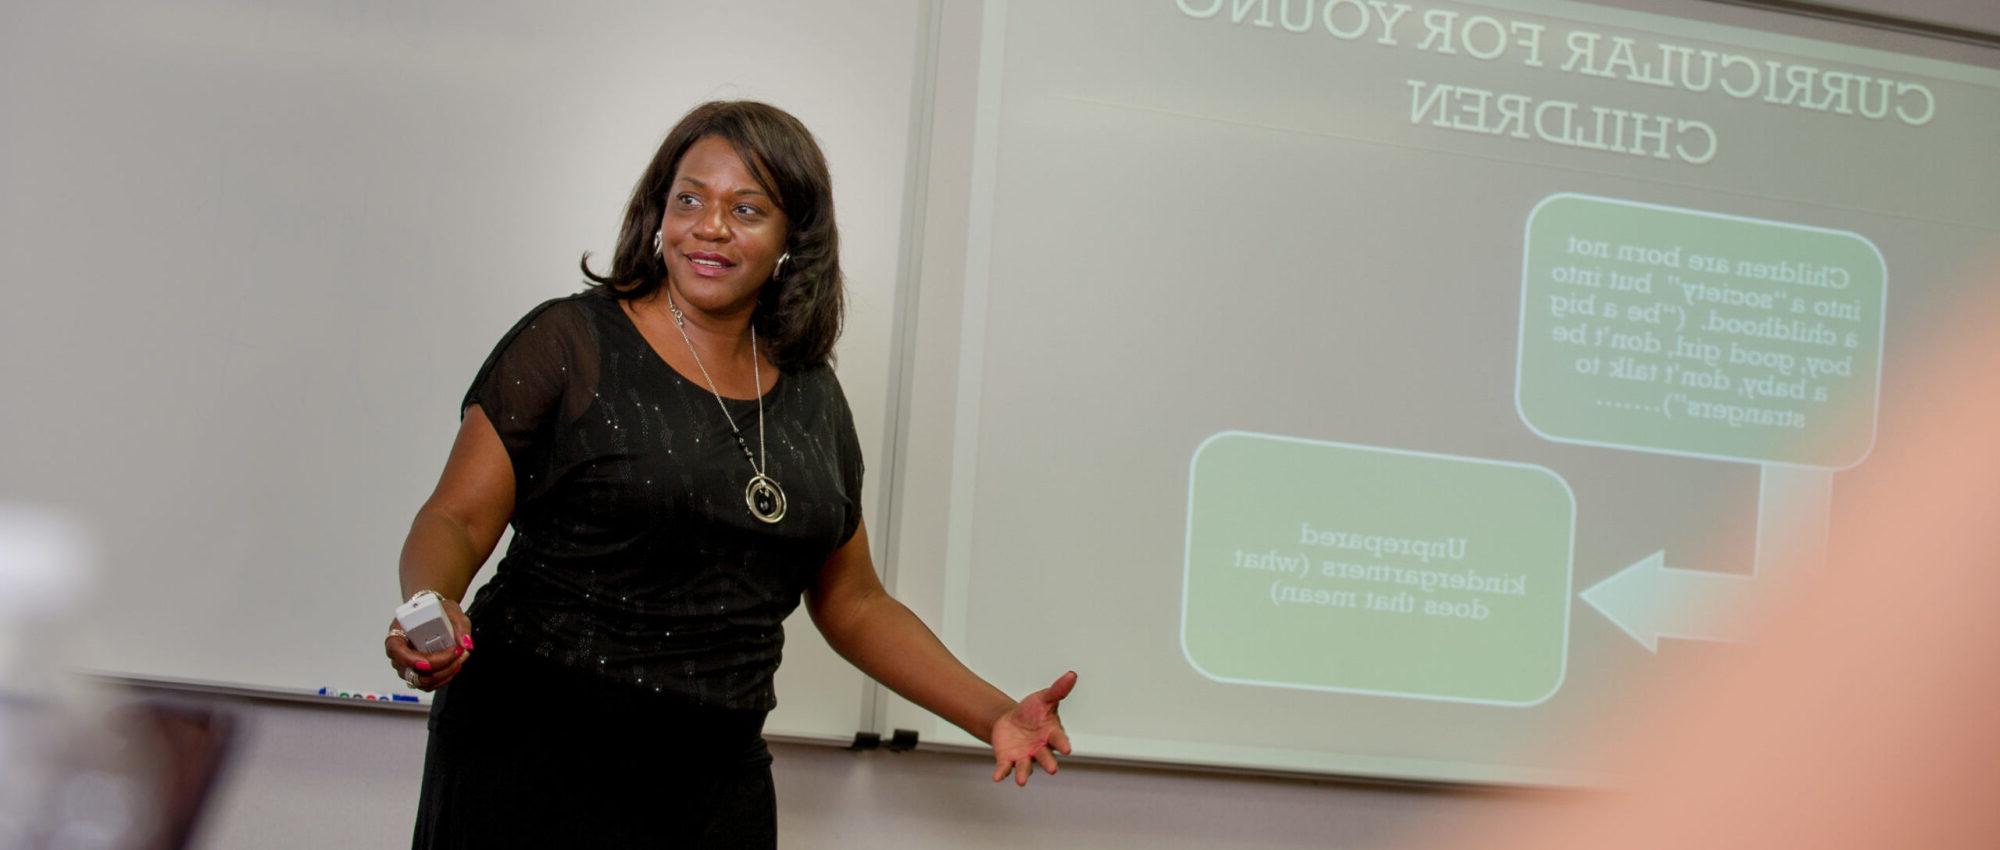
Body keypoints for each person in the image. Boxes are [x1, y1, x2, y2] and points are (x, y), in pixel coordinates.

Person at [383, 100, 1076, 849]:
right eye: (690, 200)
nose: (709, 227)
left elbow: (855, 603)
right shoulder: (570, 342)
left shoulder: (812, 392)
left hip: (713, 776)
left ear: (791, 239)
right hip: (530, 754)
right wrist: (434, 604)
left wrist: (994, 714)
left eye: (746, 209)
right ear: (659, 212)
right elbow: (454, 517)